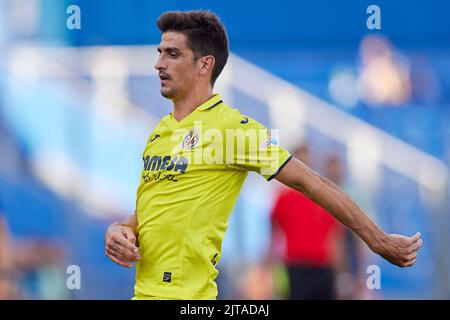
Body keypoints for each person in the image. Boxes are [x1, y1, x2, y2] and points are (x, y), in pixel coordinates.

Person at [104, 10, 423, 300]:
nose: (159, 63)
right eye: (159, 53)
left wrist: (377, 239)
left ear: (205, 65)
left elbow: (309, 181)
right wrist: (120, 229)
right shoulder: (159, 133)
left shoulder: (230, 129)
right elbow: (150, 213)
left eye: (173, 54)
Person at [270, 145, 342, 300]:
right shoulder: (283, 199)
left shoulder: (321, 197)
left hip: (322, 267)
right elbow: (273, 234)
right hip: (297, 267)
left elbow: (333, 239)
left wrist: (339, 274)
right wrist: (271, 269)